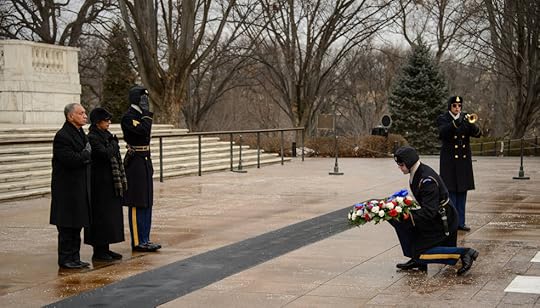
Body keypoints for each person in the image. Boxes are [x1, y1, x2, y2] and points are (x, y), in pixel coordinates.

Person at [389, 146, 478, 275]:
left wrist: (408, 215)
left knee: (419, 251)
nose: (400, 168)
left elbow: (429, 212)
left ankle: (464, 253)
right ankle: (417, 260)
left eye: (401, 165)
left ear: (409, 163)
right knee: (398, 220)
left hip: (443, 221)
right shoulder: (417, 172)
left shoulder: (427, 180)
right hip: (436, 216)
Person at [50, 103, 92, 269]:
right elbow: (70, 159)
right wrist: (86, 155)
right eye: (81, 113)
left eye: (85, 113)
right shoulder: (62, 136)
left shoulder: (81, 132)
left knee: (77, 224)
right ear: (70, 116)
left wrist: (85, 156)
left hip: (79, 186)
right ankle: (66, 258)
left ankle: (75, 256)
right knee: (67, 226)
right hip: (66, 189)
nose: (85, 115)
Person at [121, 85, 161, 252]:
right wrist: (146, 115)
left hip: (145, 161)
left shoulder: (141, 116)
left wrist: (145, 115)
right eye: (143, 98)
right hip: (135, 162)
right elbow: (143, 132)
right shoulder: (129, 117)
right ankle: (138, 241)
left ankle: (146, 237)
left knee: (147, 202)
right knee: (137, 203)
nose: (146, 101)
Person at [84, 107, 126, 261]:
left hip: (110, 183)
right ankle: (99, 250)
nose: (109, 122)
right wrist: (114, 145)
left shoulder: (106, 135)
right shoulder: (93, 137)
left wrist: (112, 145)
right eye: (106, 120)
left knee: (110, 217)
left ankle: (106, 248)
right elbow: (105, 153)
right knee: (100, 217)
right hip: (99, 184)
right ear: (97, 122)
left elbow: (111, 152)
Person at [437, 96, 482, 231]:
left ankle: (461, 222)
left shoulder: (465, 118)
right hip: (449, 160)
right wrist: (456, 122)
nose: (457, 108)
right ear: (450, 107)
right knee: (451, 193)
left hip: (463, 161)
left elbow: (478, 134)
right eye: (455, 105)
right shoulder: (443, 118)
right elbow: (442, 133)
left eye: (459, 105)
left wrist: (471, 124)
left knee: (462, 192)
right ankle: (452, 222)